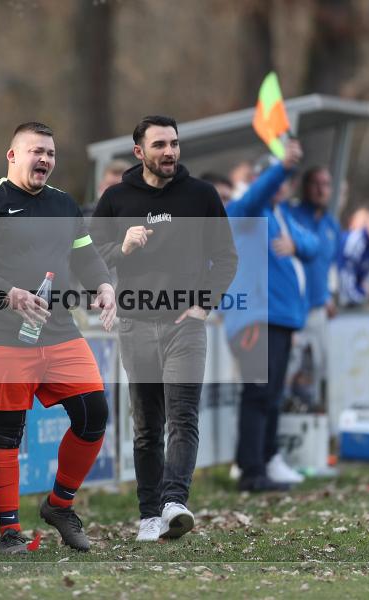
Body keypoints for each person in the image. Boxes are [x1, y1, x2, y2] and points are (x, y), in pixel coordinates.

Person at [0, 122, 116, 554]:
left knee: (94, 413)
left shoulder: (63, 204)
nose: (45, 160)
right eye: (36, 151)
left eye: (51, 154)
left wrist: (103, 286)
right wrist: (9, 294)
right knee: (6, 431)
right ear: (13, 155)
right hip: (0, 335)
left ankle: (60, 506)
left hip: (59, 332)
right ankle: (8, 532)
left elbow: (85, 255)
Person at [90, 115, 237, 542]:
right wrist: (123, 247)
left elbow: (227, 257)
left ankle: (175, 502)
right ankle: (149, 515)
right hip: (135, 325)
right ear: (140, 152)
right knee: (147, 427)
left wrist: (203, 305)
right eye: (159, 145)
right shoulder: (116, 199)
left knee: (183, 415)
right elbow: (88, 258)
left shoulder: (201, 195)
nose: (169, 152)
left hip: (184, 327)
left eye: (174, 143)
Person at [220, 139, 320, 492]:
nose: (282, 186)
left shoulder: (283, 217)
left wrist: (296, 244)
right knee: (259, 394)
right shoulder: (245, 210)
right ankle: (251, 471)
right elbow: (252, 197)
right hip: (253, 319)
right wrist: (284, 165)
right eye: (275, 180)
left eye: (286, 182)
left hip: (278, 320)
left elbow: (315, 245)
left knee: (271, 395)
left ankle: (263, 462)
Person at [286, 166, 341, 413]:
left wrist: (330, 295)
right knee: (288, 369)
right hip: (292, 309)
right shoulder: (291, 215)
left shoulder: (331, 224)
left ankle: (316, 429)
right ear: (305, 187)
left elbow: (331, 266)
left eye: (326, 184)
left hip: (318, 310)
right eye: (316, 183)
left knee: (320, 368)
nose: (321, 189)